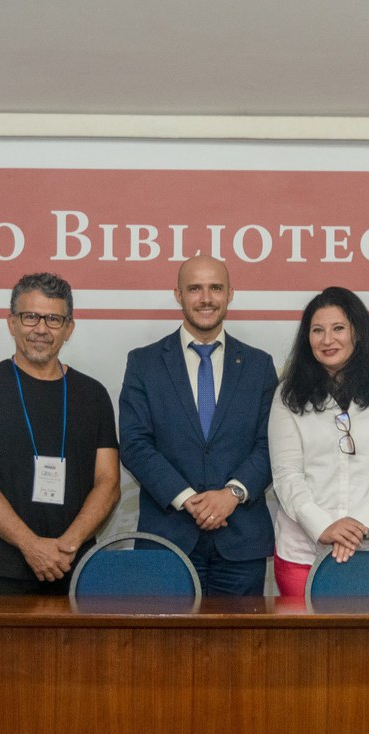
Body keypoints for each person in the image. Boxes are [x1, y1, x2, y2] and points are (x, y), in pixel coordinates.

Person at [0, 273, 121, 595]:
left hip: (76, 571)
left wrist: (66, 548)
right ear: (11, 322)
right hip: (0, 572)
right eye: (30, 317)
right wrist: (32, 546)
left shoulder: (93, 394)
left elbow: (109, 484)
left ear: (68, 328)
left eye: (53, 319)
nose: (41, 329)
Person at [119, 255, 278, 595]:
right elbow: (134, 443)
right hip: (168, 539)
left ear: (230, 294)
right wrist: (189, 499)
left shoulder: (259, 365)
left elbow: (271, 444)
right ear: (178, 295)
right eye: (195, 288)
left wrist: (232, 495)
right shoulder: (143, 363)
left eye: (215, 288)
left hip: (240, 543)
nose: (206, 298)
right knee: (167, 649)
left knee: (240, 647)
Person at [268, 286, 369, 597]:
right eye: (317, 330)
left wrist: (360, 523)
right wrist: (322, 525)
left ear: (358, 333)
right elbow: (286, 475)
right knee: (305, 646)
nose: (327, 340)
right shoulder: (287, 395)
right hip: (303, 553)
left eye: (338, 328)